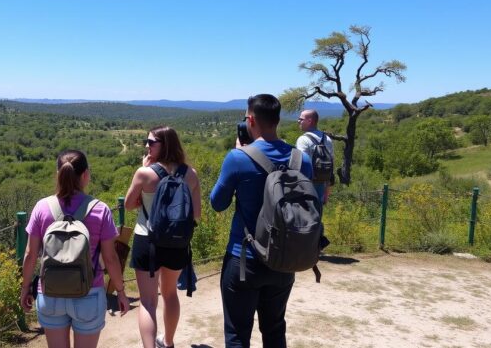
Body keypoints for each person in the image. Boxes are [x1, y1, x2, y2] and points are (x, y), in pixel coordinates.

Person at [209, 94, 313, 348]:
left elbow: (217, 203)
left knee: (237, 334)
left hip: (245, 258)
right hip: (284, 260)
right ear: (277, 120)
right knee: (275, 330)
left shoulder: (238, 158)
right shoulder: (302, 160)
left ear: (251, 120)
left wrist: (238, 154)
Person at [20, 150, 130, 348]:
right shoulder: (100, 209)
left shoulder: (41, 208)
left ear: (58, 175)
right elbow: (111, 258)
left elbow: (30, 255)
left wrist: (25, 287)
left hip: (50, 293)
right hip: (89, 293)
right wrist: (120, 291)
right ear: (86, 175)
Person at [124, 126, 202, 348]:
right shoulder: (191, 174)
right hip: (177, 242)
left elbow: (129, 205)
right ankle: (168, 343)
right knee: (170, 294)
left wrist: (142, 170)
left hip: (146, 240)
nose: (147, 146)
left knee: (148, 302)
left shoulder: (145, 174)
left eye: (150, 142)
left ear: (164, 145)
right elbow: (196, 214)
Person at [296, 109, 335, 205]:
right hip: (322, 185)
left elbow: (301, 165)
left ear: (309, 121)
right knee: (317, 216)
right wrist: (326, 191)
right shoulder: (327, 139)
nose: (298, 121)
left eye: (301, 119)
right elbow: (331, 164)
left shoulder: (303, 140)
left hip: (306, 187)